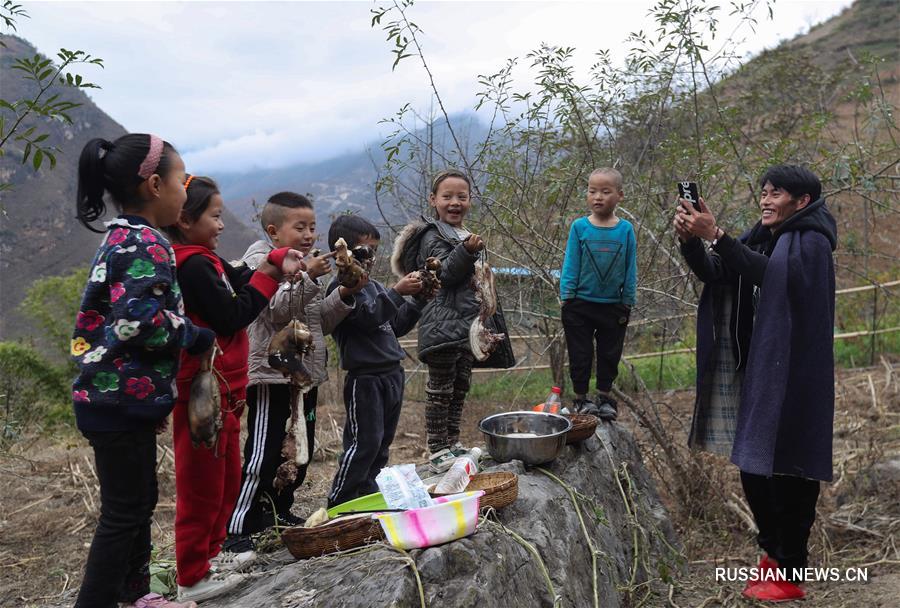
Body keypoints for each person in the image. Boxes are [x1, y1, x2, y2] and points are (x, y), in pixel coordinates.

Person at [674, 164, 837, 602]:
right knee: (753, 465)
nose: (765, 199)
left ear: (801, 202)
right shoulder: (765, 236)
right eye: (763, 192)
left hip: (794, 375)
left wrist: (717, 235)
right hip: (760, 371)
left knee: (788, 468)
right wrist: (692, 241)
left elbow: (776, 280)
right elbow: (718, 272)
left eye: (776, 193)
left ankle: (791, 568)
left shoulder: (811, 241)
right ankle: (772, 554)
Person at [71, 134, 215, 608]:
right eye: (182, 179)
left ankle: (136, 596)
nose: (184, 189)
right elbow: (138, 323)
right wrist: (193, 334)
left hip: (117, 401)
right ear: (155, 184)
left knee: (137, 504)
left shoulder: (124, 236)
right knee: (123, 512)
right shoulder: (147, 243)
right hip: (116, 400)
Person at [163, 176, 304, 603]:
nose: (222, 224)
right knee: (201, 483)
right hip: (205, 392)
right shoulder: (191, 265)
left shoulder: (207, 259)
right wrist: (271, 275)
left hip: (227, 391)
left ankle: (211, 557)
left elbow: (241, 273)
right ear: (186, 219)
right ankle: (191, 575)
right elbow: (232, 315)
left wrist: (276, 258)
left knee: (224, 479)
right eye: (215, 216)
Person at [224, 192, 363, 557]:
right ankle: (237, 525)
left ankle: (276, 512)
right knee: (264, 452)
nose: (308, 234)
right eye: (299, 227)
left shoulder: (310, 266)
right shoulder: (261, 262)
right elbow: (275, 312)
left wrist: (345, 294)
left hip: (304, 374)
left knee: (298, 451)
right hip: (272, 376)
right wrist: (306, 277)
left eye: (312, 227)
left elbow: (320, 322)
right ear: (274, 231)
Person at [391, 169, 514, 472]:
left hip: (466, 327)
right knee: (440, 387)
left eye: (462, 196)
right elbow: (444, 274)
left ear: (470, 200)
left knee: (460, 384)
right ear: (434, 200)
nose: (455, 202)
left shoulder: (461, 234)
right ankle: (436, 448)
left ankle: (453, 441)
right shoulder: (433, 236)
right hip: (441, 324)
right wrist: (468, 251)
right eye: (447, 196)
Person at [325, 214, 425, 508]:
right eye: (363, 251)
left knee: (382, 444)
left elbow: (394, 324)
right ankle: (340, 501)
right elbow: (368, 319)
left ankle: (367, 496)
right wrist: (397, 292)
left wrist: (418, 300)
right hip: (365, 378)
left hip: (391, 373)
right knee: (363, 443)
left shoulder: (377, 287)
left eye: (373, 251)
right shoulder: (341, 290)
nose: (369, 259)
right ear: (342, 253)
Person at [559, 167, 637, 421]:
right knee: (580, 354)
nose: (598, 197)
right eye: (593, 191)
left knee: (609, 354)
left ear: (620, 195)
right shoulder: (579, 227)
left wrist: (628, 300)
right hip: (579, 304)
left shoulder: (625, 230)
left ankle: (605, 398)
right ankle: (581, 400)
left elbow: (630, 267)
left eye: (605, 191)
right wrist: (567, 295)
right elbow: (571, 262)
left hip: (613, 306)